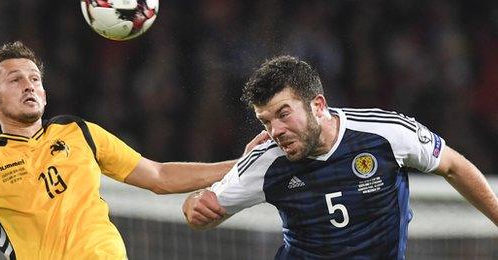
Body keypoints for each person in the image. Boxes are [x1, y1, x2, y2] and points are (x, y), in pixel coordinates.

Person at [0, 41, 267, 260]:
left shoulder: (79, 132)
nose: (29, 86)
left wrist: (241, 163)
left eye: (35, 79)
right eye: (16, 80)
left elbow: (160, 177)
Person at [182, 55, 498, 259]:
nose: (275, 130)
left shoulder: (385, 133)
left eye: (283, 114)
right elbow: (203, 212)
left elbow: (454, 166)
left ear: (317, 105)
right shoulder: (267, 162)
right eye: (266, 121)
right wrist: (194, 206)